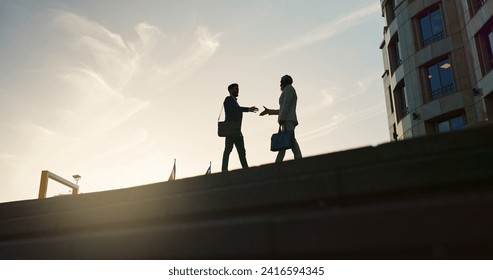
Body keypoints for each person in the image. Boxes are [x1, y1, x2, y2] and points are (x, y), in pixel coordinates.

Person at [260, 75, 302, 162]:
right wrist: (269, 111)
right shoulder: (287, 90)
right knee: (285, 142)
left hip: (287, 120)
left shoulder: (289, 89)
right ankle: (279, 162)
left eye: (281, 82)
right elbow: (283, 108)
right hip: (286, 119)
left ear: (285, 81)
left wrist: (281, 118)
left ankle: (298, 160)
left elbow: (286, 105)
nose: (280, 84)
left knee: (290, 141)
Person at [222, 83, 258, 172]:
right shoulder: (228, 99)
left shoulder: (234, 101)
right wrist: (248, 109)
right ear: (230, 90)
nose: (237, 90)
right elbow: (236, 109)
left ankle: (245, 169)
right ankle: (224, 170)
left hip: (237, 130)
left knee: (241, 151)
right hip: (231, 129)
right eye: (235, 89)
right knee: (228, 150)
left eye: (238, 89)